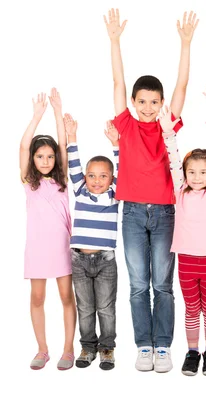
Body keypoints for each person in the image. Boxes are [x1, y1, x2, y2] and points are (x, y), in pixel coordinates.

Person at [103, 8, 198, 372]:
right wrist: (114, 41)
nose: (147, 107)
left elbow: (182, 87)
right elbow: (116, 83)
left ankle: (164, 348)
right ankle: (144, 345)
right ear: (133, 103)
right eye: (141, 101)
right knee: (139, 285)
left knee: (162, 284)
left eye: (153, 102)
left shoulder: (167, 128)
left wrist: (185, 44)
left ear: (161, 105)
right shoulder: (125, 123)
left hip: (164, 212)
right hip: (131, 213)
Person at [160, 93, 206, 377]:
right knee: (191, 308)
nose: (197, 176)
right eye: (192, 172)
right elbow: (173, 159)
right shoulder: (181, 191)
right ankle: (192, 352)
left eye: (203, 172)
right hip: (187, 260)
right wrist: (168, 134)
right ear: (185, 174)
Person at [20, 89, 76, 371]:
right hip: (37, 250)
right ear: (33, 159)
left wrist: (57, 112)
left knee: (67, 297)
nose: (45, 161)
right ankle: (42, 349)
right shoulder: (29, 182)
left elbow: (64, 147)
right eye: (40, 156)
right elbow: (22, 148)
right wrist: (36, 116)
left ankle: (69, 349)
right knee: (38, 298)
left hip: (61, 248)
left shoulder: (62, 179)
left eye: (49, 156)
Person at [65, 114, 120, 371]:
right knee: (85, 307)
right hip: (78, 259)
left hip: (106, 260)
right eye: (91, 176)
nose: (96, 181)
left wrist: (116, 145)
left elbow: (123, 169)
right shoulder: (80, 190)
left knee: (106, 308)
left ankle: (107, 349)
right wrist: (72, 137)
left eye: (103, 176)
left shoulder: (115, 195)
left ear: (111, 179)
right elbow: (74, 165)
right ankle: (88, 347)